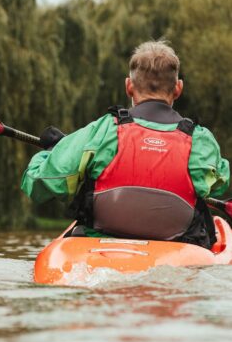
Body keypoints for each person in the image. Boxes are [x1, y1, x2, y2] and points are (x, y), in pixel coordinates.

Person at [21, 41, 230, 249]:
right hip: (178, 247)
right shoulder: (200, 139)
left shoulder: (103, 130)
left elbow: (40, 183)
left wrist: (52, 152)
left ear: (129, 86)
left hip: (101, 247)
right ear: (178, 88)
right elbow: (220, 182)